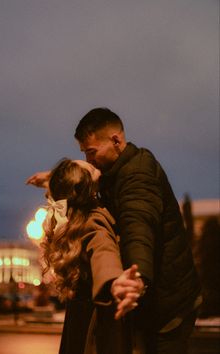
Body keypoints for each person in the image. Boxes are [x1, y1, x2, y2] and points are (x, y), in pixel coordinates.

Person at [27, 107, 202, 354]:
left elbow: (138, 228)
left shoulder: (137, 177)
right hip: (136, 301)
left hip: (167, 306)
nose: (89, 161)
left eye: (91, 152)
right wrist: (57, 178)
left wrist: (135, 278)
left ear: (116, 140)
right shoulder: (109, 179)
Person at [40, 158, 144, 354]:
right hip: (98, 320)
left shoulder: (70, 218)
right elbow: (103, 252)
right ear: (88, 185)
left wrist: (48, 179)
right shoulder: (93, 219)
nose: (94, 165)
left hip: (78, 315)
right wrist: (114, 281)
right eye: (90, 168)